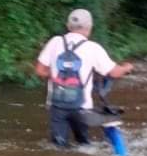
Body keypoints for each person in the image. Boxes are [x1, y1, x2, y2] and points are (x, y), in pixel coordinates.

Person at [35, 9, 134, 148]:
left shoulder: (55, 42)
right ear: (89, 28)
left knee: (57, 147)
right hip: (81, 107)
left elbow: (40, 70)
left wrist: (56, 74)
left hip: (57, 105)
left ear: (68, 26)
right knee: (83, 146)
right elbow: (113, 73)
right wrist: (126, 68)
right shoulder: (92, 48)